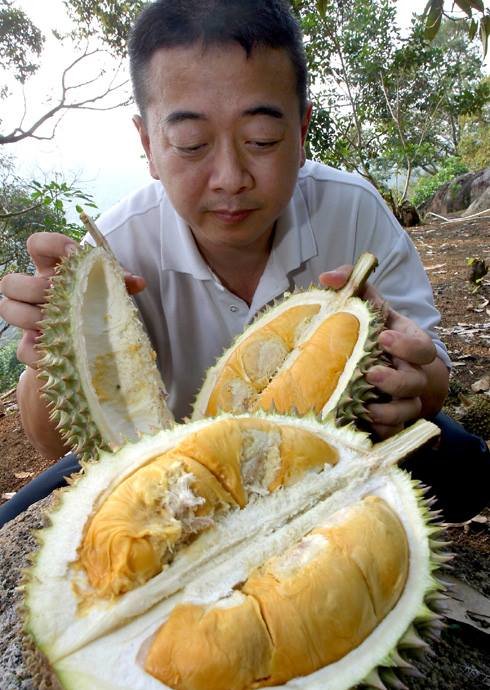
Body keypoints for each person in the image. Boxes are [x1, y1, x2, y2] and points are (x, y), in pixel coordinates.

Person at [0, 0, 488, 527]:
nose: (230, 177)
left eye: (261, 140)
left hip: (329, 440)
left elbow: (431, 374)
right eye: (191, 144)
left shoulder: (351, 210)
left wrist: (412, 384)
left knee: (465, 469)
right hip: (176, 465)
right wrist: (49, 350)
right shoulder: (115, 248)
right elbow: (53, 441)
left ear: (301, 132)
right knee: (14, 524)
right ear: (148, 145)